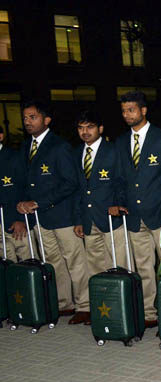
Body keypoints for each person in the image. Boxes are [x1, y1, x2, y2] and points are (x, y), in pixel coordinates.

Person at [109, 91, 161, 328]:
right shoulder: (120, 142)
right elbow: (119, 178)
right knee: (144, 268)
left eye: (131, 110)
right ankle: (149, 313)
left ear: (143, 110)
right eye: (124, 111)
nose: (127, 115)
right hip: (135, 217)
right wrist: (119, 202)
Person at [16, 101, 86, 320]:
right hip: (42, 218)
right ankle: (65, 302)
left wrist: (38, 202)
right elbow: (27, 182)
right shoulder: (25, 146)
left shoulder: (59, 146)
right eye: (25, 117)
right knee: (54, 262)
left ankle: (85, 306)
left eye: (32, 117)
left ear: (46, 120)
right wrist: (24, 203)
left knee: (75, 262)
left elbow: (70, 182)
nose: (27, 121)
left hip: (62, 214)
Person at [73, 110, 132, 312]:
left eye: (89, 127)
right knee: (96, 269)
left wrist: (119, 203)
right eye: (81, 128)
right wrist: (79, 219)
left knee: (120, 267)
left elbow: (123, 182)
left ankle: (125, 309)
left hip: (111, 219)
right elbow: (78, 190)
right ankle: (103, 311)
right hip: (89, 221)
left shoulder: (114, 151)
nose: (85, 132)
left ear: (100, 129)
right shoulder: (76, 153)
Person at [0, 125, 32, 262]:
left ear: (0, 136)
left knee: (28, 264)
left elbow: (26, 188)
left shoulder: (14, 158)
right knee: (6, 268)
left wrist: (21, 219)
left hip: (16, 223)